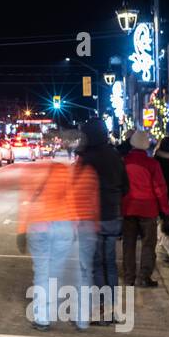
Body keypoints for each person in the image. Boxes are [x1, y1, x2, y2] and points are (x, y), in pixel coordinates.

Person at [17, 159, 100, 330]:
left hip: (40, 225)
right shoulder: (62, 169)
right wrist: (75, 223)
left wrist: (21, 230)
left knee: (42, 273)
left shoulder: (31, 170)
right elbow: (69, 197)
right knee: (61, 272)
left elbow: (26, 201)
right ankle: (79, 317)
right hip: (63, 226)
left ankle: (43, 318)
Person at [75, 119, 129, 325]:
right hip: (113, 216)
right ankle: (112, 309)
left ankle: (101, 311)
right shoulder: (115, 156)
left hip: (92, 218)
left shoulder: (86, 158)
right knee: (111, 265)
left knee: (95, 266)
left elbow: (77, 189)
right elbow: (126, 187)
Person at [121, 130, 169, 287]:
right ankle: (144, 276)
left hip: (128, 207)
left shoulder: (123, 162)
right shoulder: (152, 164)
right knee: (148, 244)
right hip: (148, 209)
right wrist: (165, 210)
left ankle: (129, 276)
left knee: (128, 243)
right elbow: (159, 189)